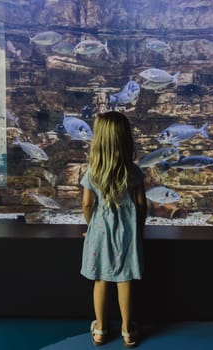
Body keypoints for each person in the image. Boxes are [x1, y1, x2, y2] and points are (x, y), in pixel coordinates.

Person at [80, 111, 147, 347]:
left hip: (100, 231)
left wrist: (92, 226)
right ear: (125, 138)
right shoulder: (134, 171)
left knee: (100, 279)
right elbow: (141, 204)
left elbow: (87, 204)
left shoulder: (92, 171)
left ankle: (100, 329)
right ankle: (128, 330)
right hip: (127, 232)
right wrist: (139, 230)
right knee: (125, 278)